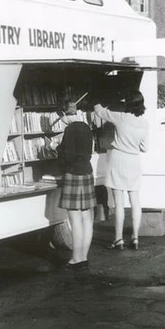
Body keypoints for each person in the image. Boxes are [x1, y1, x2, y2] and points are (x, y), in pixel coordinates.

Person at [93, 90, 149, 251]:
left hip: (119, 159)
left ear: (128, 103)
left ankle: (118, 239)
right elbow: (145, 148)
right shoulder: (144, 123)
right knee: (135, 200)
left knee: (119, 203)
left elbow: (99, 111)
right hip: (134, 160)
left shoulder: (120, 118)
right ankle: (135, 237)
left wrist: (100, 99)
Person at [51, 100, 97, 269]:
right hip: (87, 172)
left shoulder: (69, 130)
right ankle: (83, 257)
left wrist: (56, 147)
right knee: (86, 218)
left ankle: (76, 258)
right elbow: (88, 153)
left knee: (75, 219)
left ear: (62, 114)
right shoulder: (86, 127)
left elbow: (67, 158)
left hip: (73, 174)